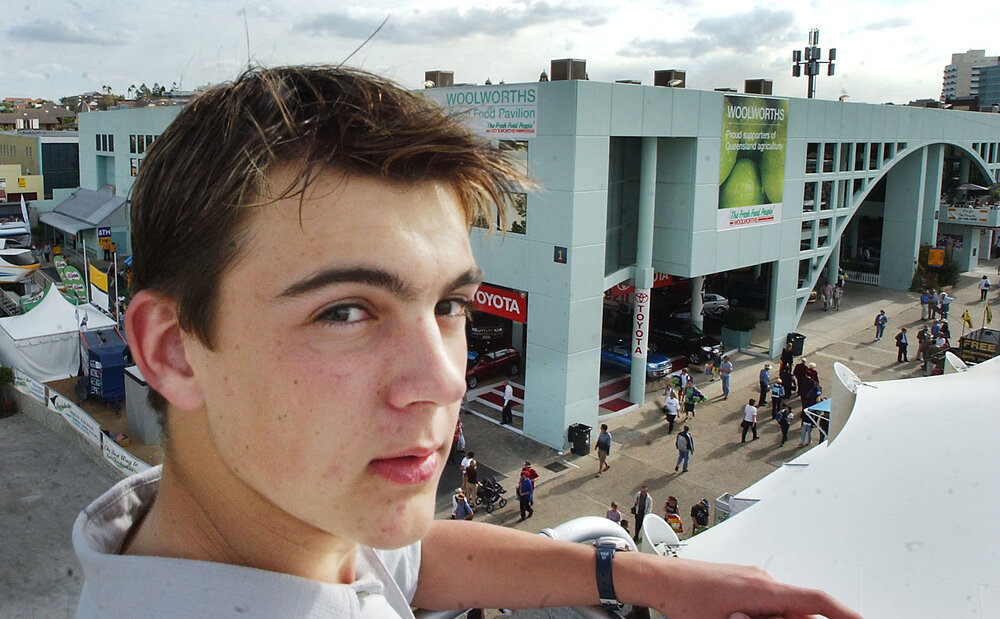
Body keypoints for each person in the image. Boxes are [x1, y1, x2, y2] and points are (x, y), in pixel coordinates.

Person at [73, 65, 860, 619]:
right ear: (172, 350)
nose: (446, 379)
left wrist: (645, 577)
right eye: (345, 311)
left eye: (449, 303)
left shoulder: (291, 519)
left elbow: (412, 564)